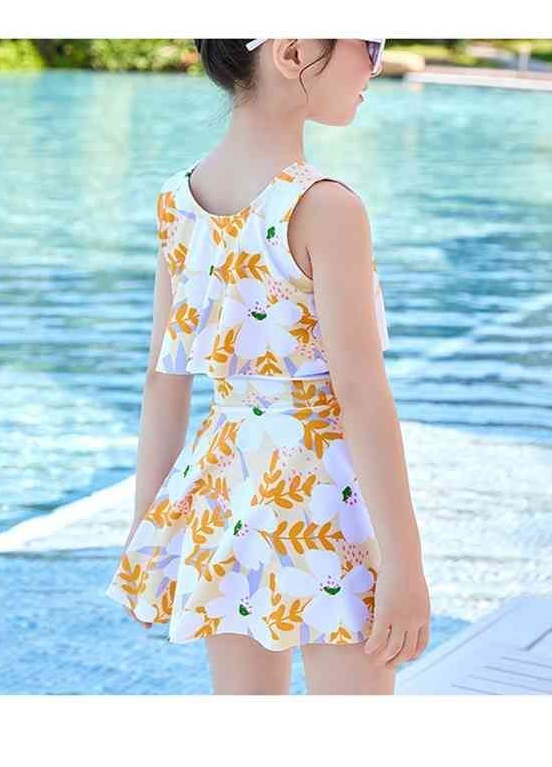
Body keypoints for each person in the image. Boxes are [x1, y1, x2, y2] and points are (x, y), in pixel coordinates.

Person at [105, 39, 430, 695]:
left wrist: (148, 535)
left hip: (224, 491)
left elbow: (164, 379)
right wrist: (404, 563)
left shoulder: (177, 202)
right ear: (293, 51)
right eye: (369, 43)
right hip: (324, 498)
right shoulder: (326, 207)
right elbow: (360, 394)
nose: (374, 64)